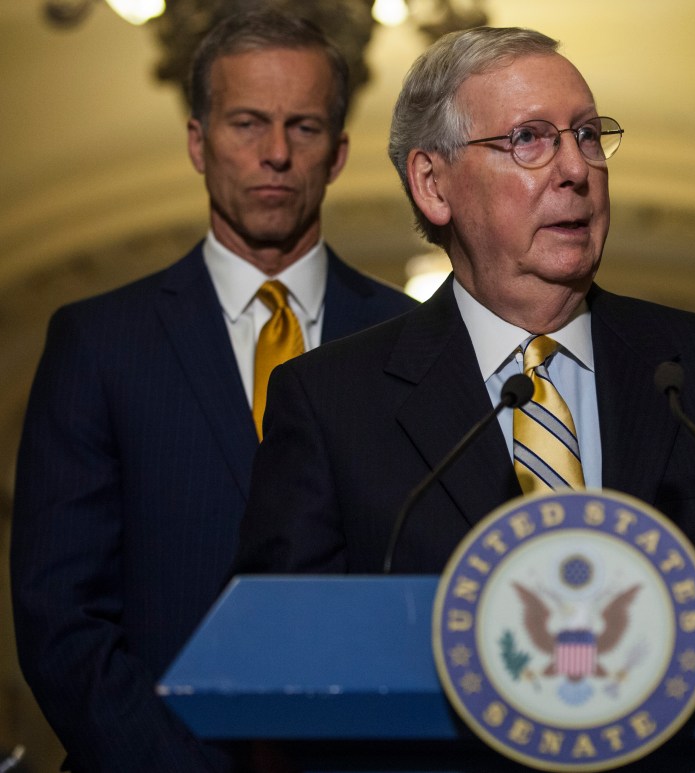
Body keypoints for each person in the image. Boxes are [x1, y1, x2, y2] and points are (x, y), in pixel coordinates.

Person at [9, 11, 415, 772]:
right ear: (198, 142)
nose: (274, 154)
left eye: (303, 127)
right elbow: (59, 616)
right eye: (247, 123)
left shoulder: (413, 340)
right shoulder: (98, 344)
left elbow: (428, 598)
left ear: (338, 153)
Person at [233, 27, 695, 577]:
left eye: (586, 135)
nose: (576, 169)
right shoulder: (332, 403)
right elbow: (287, 641)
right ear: (433, 185)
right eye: (529, 139)